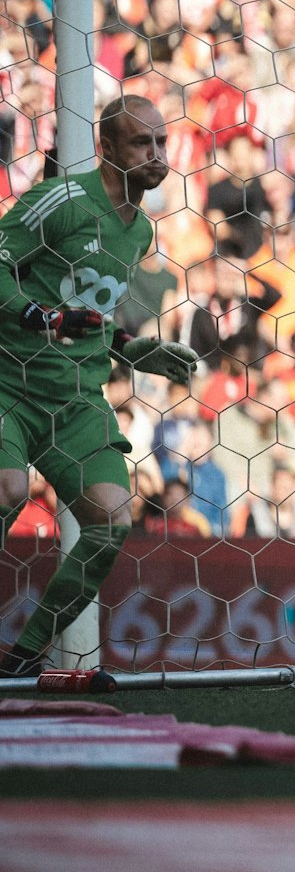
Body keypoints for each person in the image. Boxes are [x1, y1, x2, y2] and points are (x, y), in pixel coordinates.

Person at [0, 98, 200, 677]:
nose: (157, 155)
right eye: (142, 143)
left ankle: (22, 656)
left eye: (162, 143)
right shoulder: (61, 201)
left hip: (78, 400)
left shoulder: (139, 232)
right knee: (7, 489)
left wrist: (132, 349)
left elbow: (91, 311)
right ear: (107, 149)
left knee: (111, 520)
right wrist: (41, 317)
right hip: (10, 384)